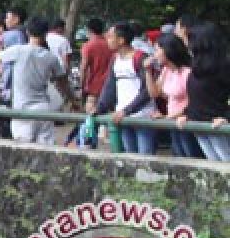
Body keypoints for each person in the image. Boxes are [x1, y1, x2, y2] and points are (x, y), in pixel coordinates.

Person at [0, 17, 74, 145]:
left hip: (22, 111)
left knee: (24, 152)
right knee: (45, 152)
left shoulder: (18, 51)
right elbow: (63, 84)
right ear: (45, 33)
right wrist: (73, 101)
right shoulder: (51, 57)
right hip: (44, 110)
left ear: (28, 32)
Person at [92, 21, 157, 154]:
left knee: (145, 156)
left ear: (121, 40)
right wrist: (99, 108)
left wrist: (126, 111)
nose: (107, 39)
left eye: (110, 36)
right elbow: (109, 87)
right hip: (122, 115)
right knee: (129, 155)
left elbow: (146, 91)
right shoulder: (115, 59)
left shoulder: (140, 57)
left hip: (142, 116)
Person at [178, 22, 230, 161]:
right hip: (198, 123)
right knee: (212, 163)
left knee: (225, 159)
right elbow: (197, 96)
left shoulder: (224, 65)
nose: (187, 44)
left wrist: (227, 116)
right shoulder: (196, 65)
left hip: (218, 125)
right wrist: (187, 114)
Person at [144, 33, 202, 157]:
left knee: (191, 156)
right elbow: (154, 93)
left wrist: (169, 116)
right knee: (179, 156)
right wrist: (148, 72)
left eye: (157, 49)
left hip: (186, 121)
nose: (154, 54)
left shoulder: (188, 72)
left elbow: (195, 101)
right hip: (173, 121)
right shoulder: (167, 70)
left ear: (168, 50)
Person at [79, 17, 114, 114]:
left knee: (90, 119)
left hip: (93, 88)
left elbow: (84, 68)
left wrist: (81, 86)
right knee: (106, 121)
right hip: (109, 87)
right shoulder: (110, 45)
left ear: (89, 30)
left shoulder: (88, 46)